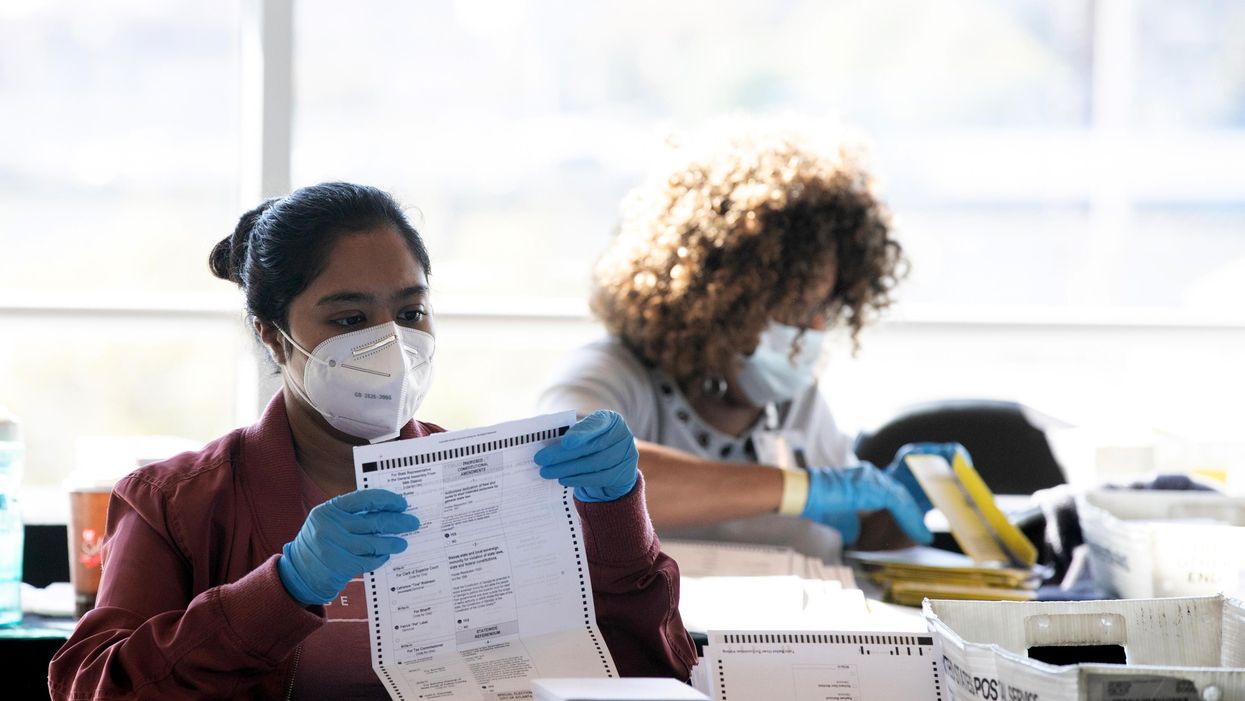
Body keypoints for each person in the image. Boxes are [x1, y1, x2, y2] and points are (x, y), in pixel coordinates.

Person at [49, 183, 696, 700]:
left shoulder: (496, 484)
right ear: (272, 334)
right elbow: (92, 689)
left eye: (411, 311)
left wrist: (614, 515)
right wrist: (281, 587)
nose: (391, 342)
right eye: (350, 318)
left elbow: (649, 672)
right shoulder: (175, 502)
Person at [538, 120, 968, 560]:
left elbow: (855, 532)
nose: (815, 331)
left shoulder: (793, 402)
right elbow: (567, 470)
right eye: (797, 309)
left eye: (824, 309)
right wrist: (799, 489)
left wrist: (898, 508)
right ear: (721, 297)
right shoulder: (610, 373)